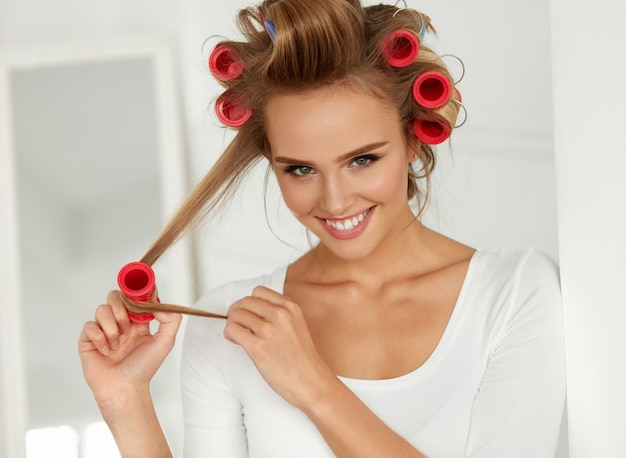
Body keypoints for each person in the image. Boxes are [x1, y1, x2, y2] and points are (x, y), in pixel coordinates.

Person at [78, 0, 566, 456]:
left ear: (413, 138)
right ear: (272, 163)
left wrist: (312, 386)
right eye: (300, 170)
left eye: (362, 159)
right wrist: (125, 402)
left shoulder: (513, 292)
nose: (334, 200)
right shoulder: (229, 323)